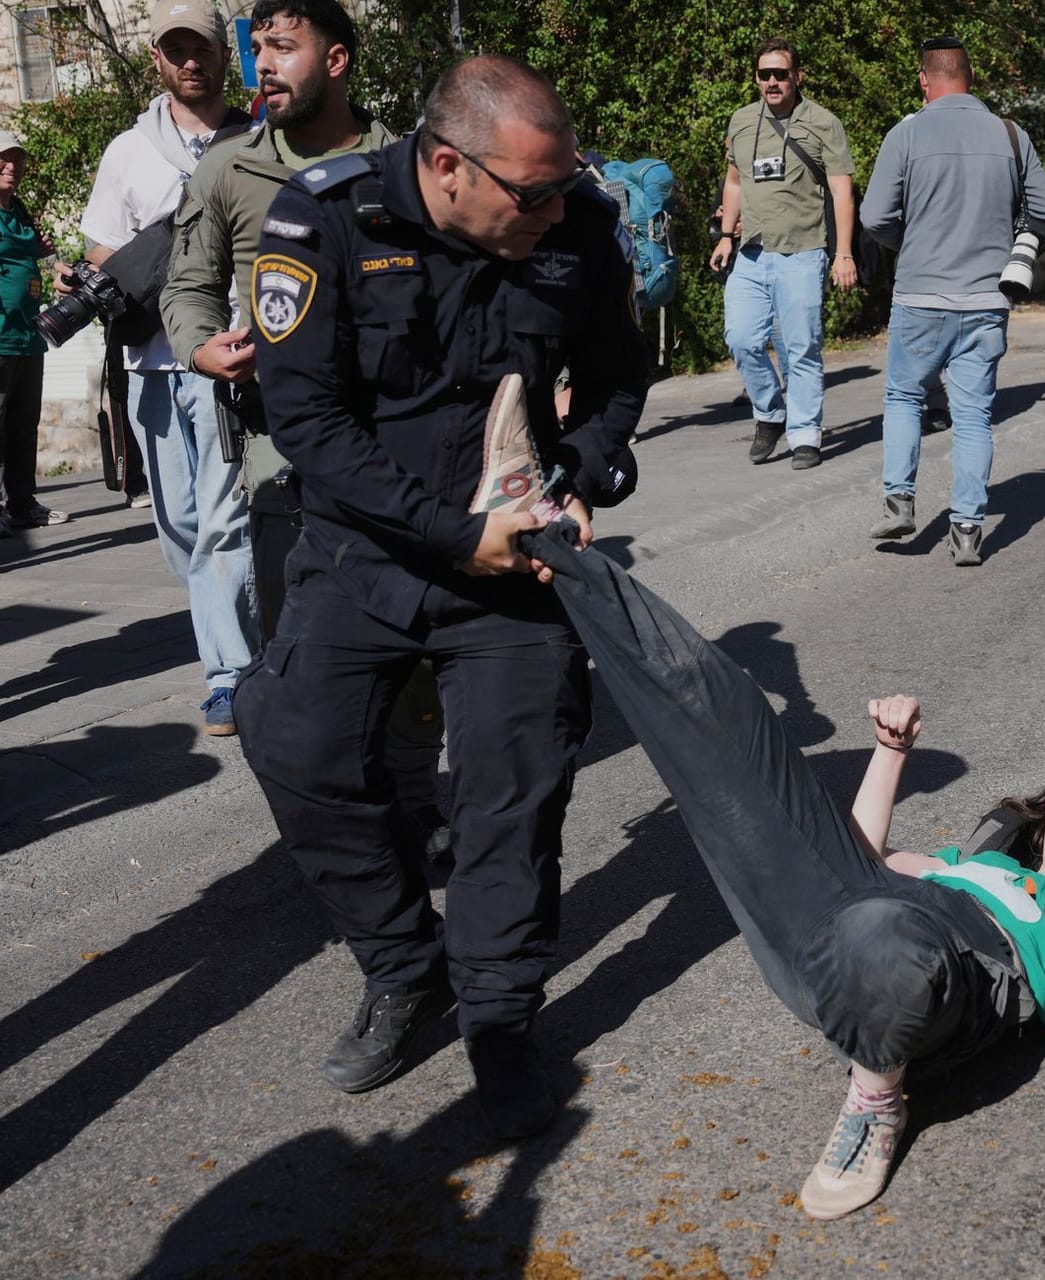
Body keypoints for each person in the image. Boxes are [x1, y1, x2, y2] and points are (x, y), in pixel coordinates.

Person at [531, 513, 1045, 1216]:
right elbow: (855, 861)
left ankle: (875, 1098)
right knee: (729, 715)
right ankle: (550, 544)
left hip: (961, 975)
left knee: (882, 933)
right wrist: (890, 755)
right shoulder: (972, 863)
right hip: (845, 943)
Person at [235, 54, 645, 1139]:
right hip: (367, 553)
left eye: (562, 190)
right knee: (299, 748)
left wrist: (584, 472)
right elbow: (309, 424)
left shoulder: (577, 226)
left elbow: (617, 377)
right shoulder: (325, 219)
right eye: (532, 194)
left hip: (518, 565)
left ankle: (501, 1017)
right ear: (450, 166)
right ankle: (403, 966)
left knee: (516, 785)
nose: (554, 211)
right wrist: (454, 533)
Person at [158, 0, 447, 843]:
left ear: (341, 59)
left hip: (401, 439)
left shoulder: (407, 162)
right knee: (314, 646)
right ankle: (345, 814)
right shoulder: (229, 166)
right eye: (256, 49)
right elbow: (187, 285)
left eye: (283, 47)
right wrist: (202, 349)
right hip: (280, 453)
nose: (262, 66)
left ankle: (415, 801)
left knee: (414, 636)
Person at [77, 0, 255, 733]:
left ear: (223, 55)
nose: (190, 61)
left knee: (222, 521)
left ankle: (231, 675)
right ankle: (241, 629)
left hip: (226, 358)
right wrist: (106, 276)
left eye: (201, 48)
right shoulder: (128, 151)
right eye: (174, 50)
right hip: (150, 363)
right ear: (156, 60)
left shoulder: (257, 139)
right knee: (180, 525)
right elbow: (98, 249)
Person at [859, 36, 1045, 566]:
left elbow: (874, 216)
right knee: (973, 416)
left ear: (925, 80)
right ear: (971, 78)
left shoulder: (905, 134)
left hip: (920, 296)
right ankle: (968, 530)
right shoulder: (1011, 135)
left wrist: (912, 242)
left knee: (904, 397)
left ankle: (900, 501)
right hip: (987, 298)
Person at [707, 39, 858, 471]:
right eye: (764, 74)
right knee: (741, 339)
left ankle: (806, 433)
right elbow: (733, 183)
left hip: (804, 251)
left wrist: (843, 252)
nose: (772, 82)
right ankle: (771, 415)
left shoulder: (823, 123)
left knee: (802, 346)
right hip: (751, 254)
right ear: (756, 77)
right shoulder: (741, 121)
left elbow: (841, 192)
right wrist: (724, 236)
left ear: (797, 76)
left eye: (780, 74)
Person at [0, 132, 60, 535]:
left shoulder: (20, 211)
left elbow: (38, 253)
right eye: (4, 159)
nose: (12, 167)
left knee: (23, 424)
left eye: (17, 160)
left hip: (28, 336)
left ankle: (22, 504)